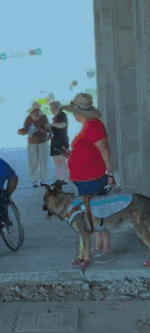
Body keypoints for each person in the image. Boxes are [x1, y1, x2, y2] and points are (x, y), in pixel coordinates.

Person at [62, 92, 116, 262]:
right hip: (85, 179)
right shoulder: (89, 125)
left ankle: (106, 249)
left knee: (98, 214)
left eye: (74, 112)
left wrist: (110, 173)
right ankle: (99, 246)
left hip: (93, 178)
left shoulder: (93, 125)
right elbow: (89, 150)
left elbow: (104, 150)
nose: (73, 114)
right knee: (93, 214)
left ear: (80, 112)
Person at [18, 102, 50, 187]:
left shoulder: (44, 117)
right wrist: (21, 131)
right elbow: (26, 129)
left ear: (39, 109)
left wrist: (40, 129)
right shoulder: (28, 118)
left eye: (37, 109)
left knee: (44, 161)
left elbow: (48, 129)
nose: (36, 111)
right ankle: (34, 181)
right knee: (33, 162)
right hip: (32, 142)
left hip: (43, 141)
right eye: (34, 109)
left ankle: (43, 180)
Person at [49, 101, 69, 183]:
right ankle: (58, 179)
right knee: (56, 161)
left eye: (52, 108)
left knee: (61, 160)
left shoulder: (62, 115)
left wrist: (51, 125)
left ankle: (63, 179)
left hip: (61, 141)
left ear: (56, 108)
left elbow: (63, 125)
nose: (51, 110)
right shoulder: (55, 116)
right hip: (54, 141)